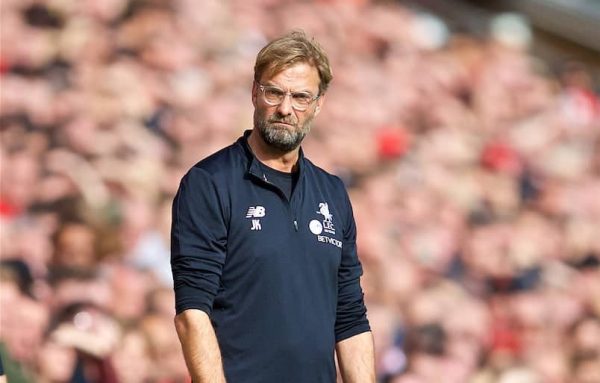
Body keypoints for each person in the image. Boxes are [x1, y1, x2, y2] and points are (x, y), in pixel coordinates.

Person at [170, 30, 375, 383]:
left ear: (318, 103)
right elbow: (192, 312)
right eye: (274, 92)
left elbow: (350, 317)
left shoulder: (332, 192)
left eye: (300, 97)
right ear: (254, 92)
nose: (285, 108)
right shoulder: (209, 182)